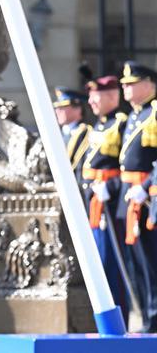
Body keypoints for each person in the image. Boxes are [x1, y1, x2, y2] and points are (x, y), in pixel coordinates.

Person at [83, 75, 130, 323]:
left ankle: (119, 317)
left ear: (112, 96)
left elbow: (129, 166)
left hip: (110, 202)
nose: (90, 100)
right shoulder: (99, 126)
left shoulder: (121, 124)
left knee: (113, 264)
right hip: (95, 201)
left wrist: (111, 186)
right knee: (98, 263)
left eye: (96, 95)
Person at [118, 61, 157, 332]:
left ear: (150, 84)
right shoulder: (133, 116)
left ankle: (153, 321)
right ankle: (144, 316)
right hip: (129, 196)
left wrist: (147, 184)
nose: (125, 88)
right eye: (124, 84)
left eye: (131, 83)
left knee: (152, 263)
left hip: (148, 197)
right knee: (135, 264)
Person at [53, 87, 91, 174]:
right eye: (57, 107)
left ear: (78, 109)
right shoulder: (58, 133)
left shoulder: (84, 134)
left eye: (63, 107)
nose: (57, 111)